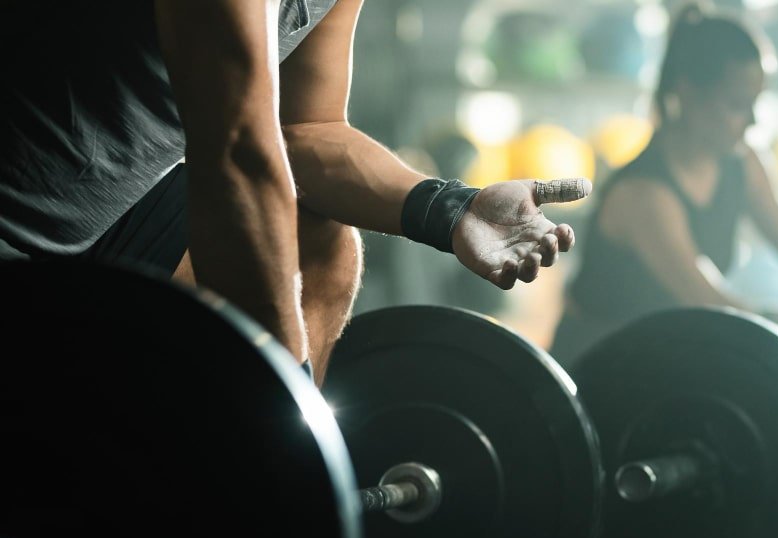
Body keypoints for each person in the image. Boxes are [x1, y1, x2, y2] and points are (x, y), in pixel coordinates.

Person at [0, 0, 590, 388]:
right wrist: (289, 408)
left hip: (99, 217)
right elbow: (238, 152)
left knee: (321, 244)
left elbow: (308, 129)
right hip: (15, 224)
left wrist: (451, 208)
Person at [550, 1, 778, 367]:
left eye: (756, 102)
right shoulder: (643, 195)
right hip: (599, 367)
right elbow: (708, 301)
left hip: (667, 358)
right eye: (737, 105)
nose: (753, 121)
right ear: (688, 94)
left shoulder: (744, 164)